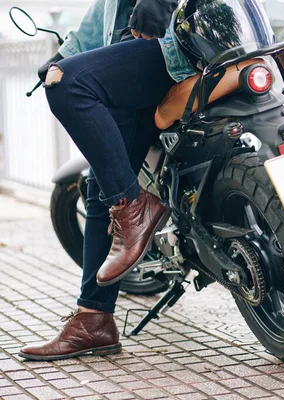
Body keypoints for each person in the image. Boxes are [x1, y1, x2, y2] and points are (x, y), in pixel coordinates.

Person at [18, 0, 197, 361]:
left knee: (65, 83)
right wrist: (66, 51)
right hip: (133, 63)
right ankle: (94, 320)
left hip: (179, 47)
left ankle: (137, 209)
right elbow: (108, 11)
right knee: (104, 185)